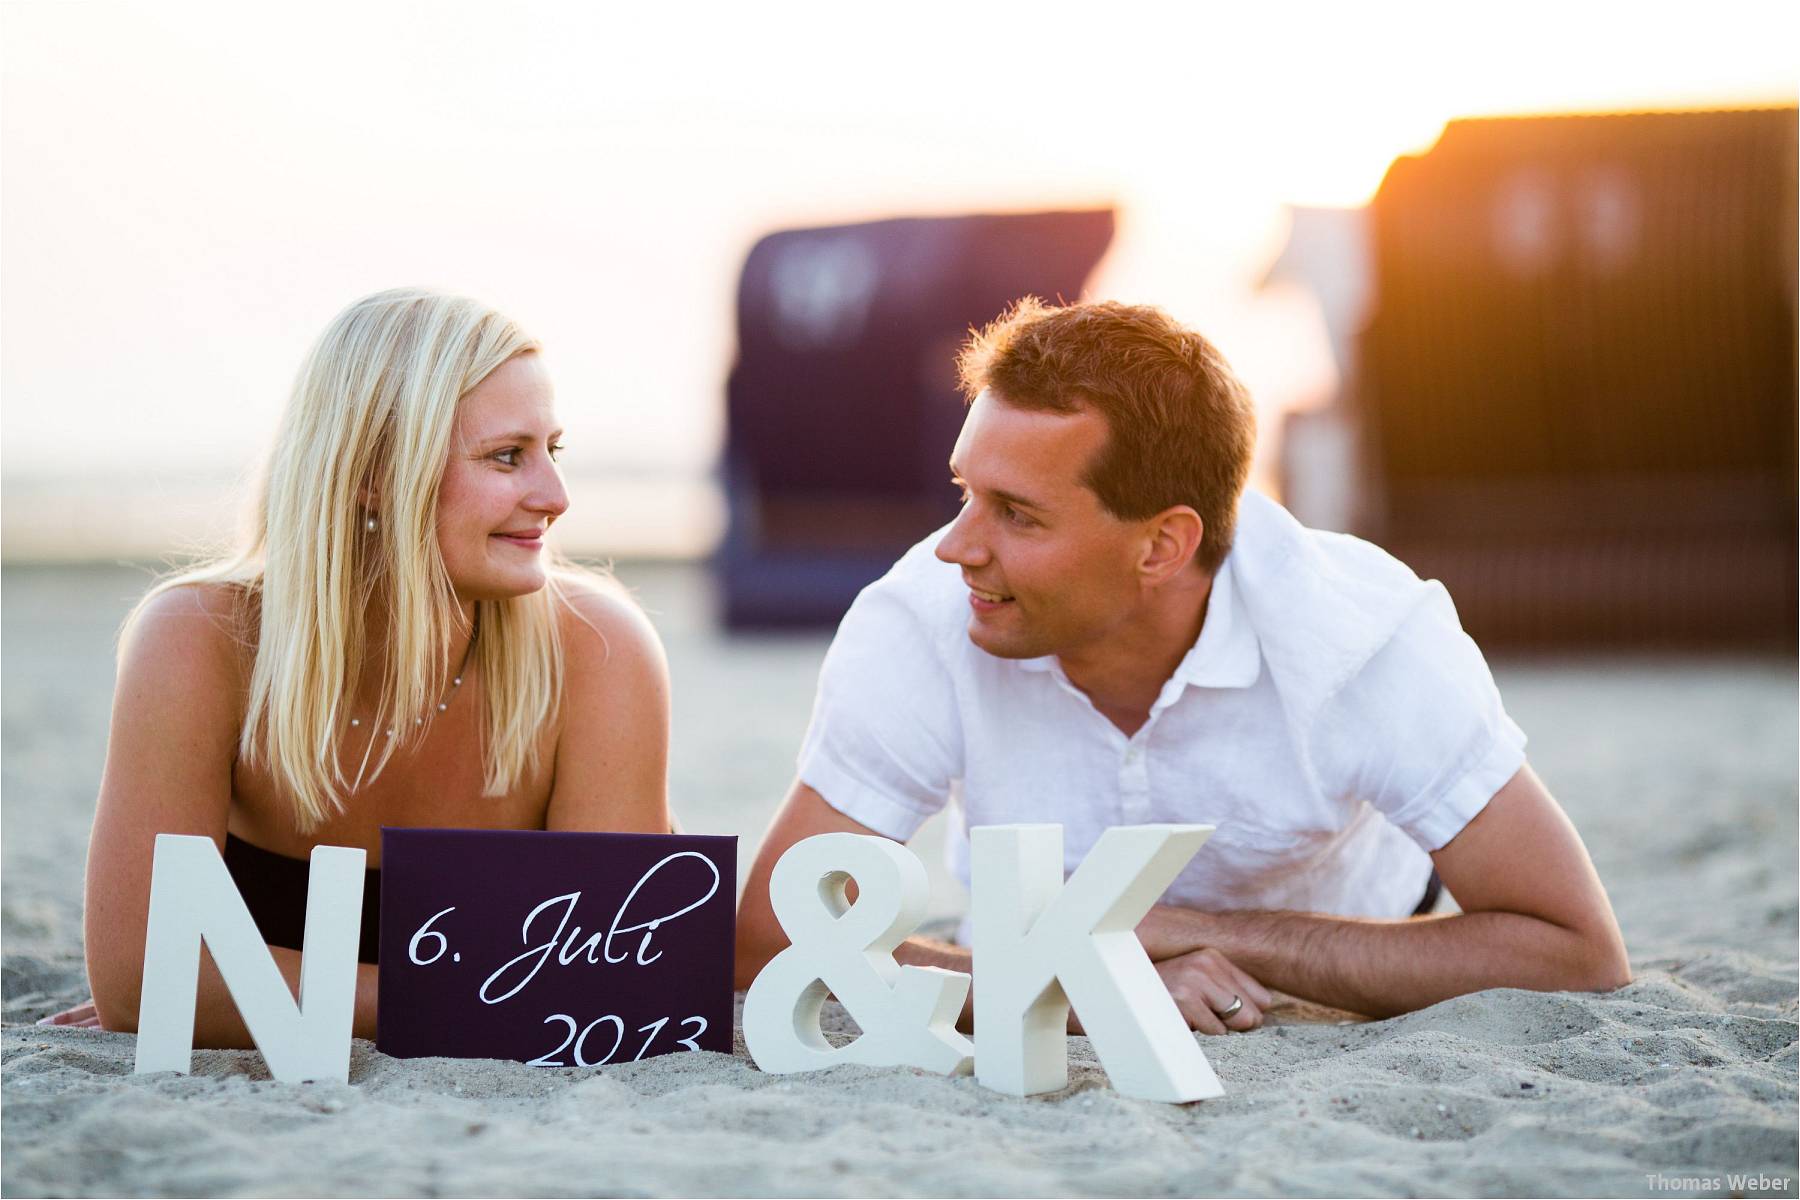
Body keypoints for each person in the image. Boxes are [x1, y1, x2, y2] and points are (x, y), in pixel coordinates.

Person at [735, 298, 1630, 1034]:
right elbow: (769, 938)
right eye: (966, 492)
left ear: (1163, 545)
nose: (956, 548)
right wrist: (1082, 985)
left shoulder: (1362, 635)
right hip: (1015, 962)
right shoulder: (922, 618)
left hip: (1370, 962)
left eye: (1017, 513)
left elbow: (1575, 950)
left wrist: (1204, 935)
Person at [47, 288, 671, 1045]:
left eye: (553, 451)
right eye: (508, 456)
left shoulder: (598, 647)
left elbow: (620, 983)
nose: (556, 495)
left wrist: (254, 988)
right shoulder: (199, 639)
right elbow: (141, 986)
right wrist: (496, 995)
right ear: (374, 473)